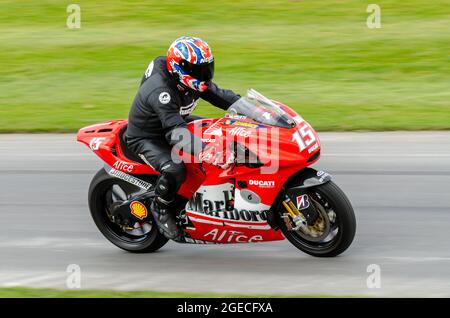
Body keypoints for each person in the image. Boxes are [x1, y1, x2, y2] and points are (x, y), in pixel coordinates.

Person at [125, 36, 240, 239]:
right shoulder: (162, 91)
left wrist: (251, 108)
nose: (204, 75)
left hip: (174, 121)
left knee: (219, 129)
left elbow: (220, 95)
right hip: (148, 136)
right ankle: (160, 208)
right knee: (175, 168)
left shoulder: (187, 78)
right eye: (198, 70)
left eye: (207, 68)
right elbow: (175, 133)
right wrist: (207, 151)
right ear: (180, 69)